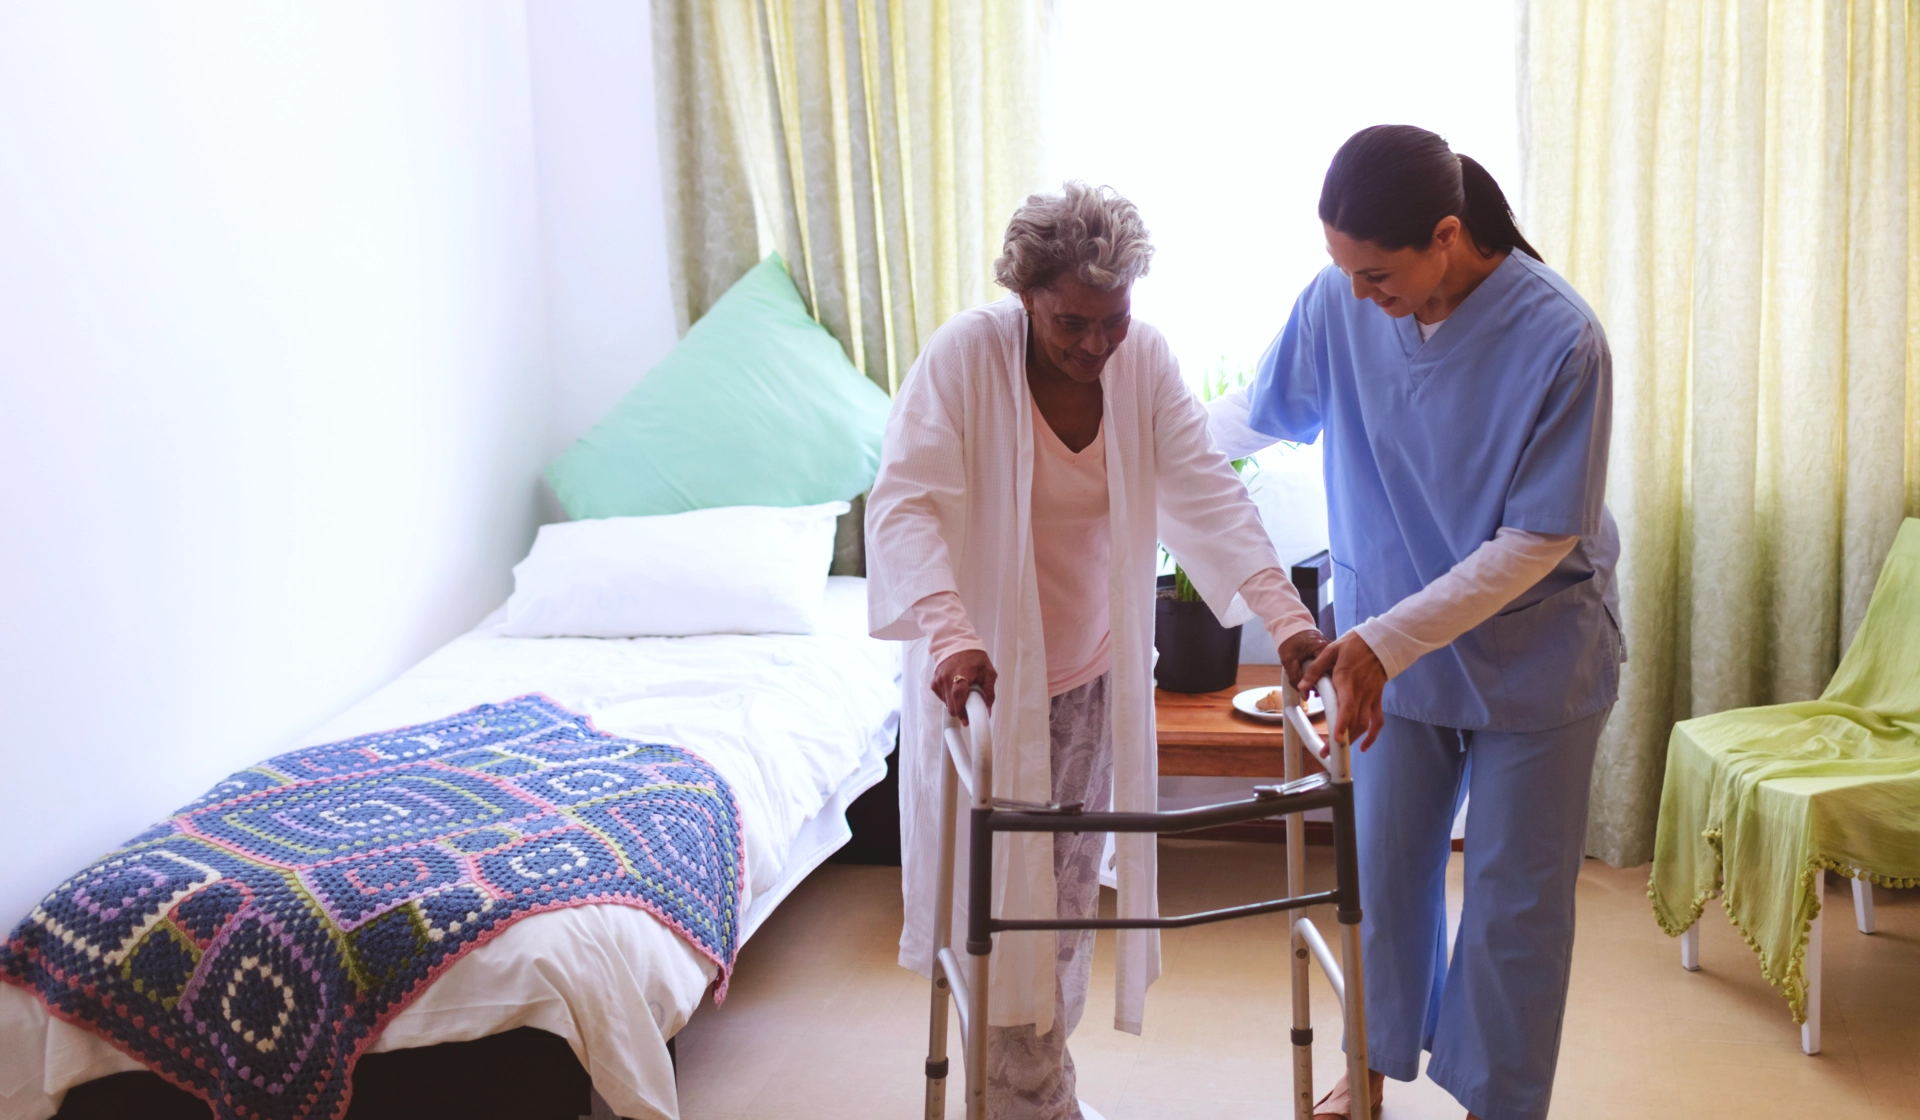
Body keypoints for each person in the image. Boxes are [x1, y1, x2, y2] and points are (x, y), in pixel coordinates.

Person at [866, 183, 1325, 1120]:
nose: (1093, 343)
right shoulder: (966, 357)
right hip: (984, 687)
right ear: (1025, 296)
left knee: (1064, 911)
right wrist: (951, 634)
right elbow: (904, 502)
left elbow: (1205, 491)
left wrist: (1289, 623)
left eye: (1112, 319)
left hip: (1093, 679)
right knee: (999, 912)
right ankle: (1031, 1101)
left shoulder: (1141, 362)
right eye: (1071, 321)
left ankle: (1036, 1090)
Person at [1211, 125, 1622, 1120]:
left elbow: (1535, 540)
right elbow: (1246, 421)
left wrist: (1386, 640)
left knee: (1514, 903)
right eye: (1343, 268)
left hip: (1532, 654)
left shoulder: (1564, 339)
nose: (1359, 294)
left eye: (1377, 272)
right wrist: (1125, 448)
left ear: (1447, 236)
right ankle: (1372, 1070)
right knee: (1385, 873)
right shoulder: (1339, 302)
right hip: (1384, 657)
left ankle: (1499, 1101)